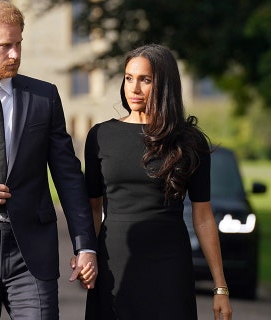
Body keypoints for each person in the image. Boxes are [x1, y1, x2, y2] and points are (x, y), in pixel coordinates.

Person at [0, 1, 98, 319]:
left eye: (18, 44)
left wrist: (85, 245)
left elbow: (68, 176)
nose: (15, 54)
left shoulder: (44, 97)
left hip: (30, 253)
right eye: (5, 46)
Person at [83, 44, 232, 320]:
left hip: (169, 265)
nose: (134, 88)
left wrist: (220, 287)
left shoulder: (189, 141)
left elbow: (202, 216)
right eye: (129, 78)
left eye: (145, 80)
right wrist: (86, 253)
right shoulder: (100, 135)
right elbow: (92, 208)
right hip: (114, 262)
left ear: (164, 84)